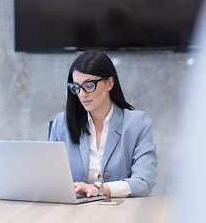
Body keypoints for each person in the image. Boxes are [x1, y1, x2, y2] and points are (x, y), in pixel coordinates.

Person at [49, 49, 157, 198]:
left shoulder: (137, 123)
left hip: (120, 211)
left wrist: (99, 189)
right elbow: (51, 179)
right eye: (77, 87)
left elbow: (144, 182)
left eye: (89, 85)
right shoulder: (62, 123)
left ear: (109, 83)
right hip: (74, 213)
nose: (82, 94)